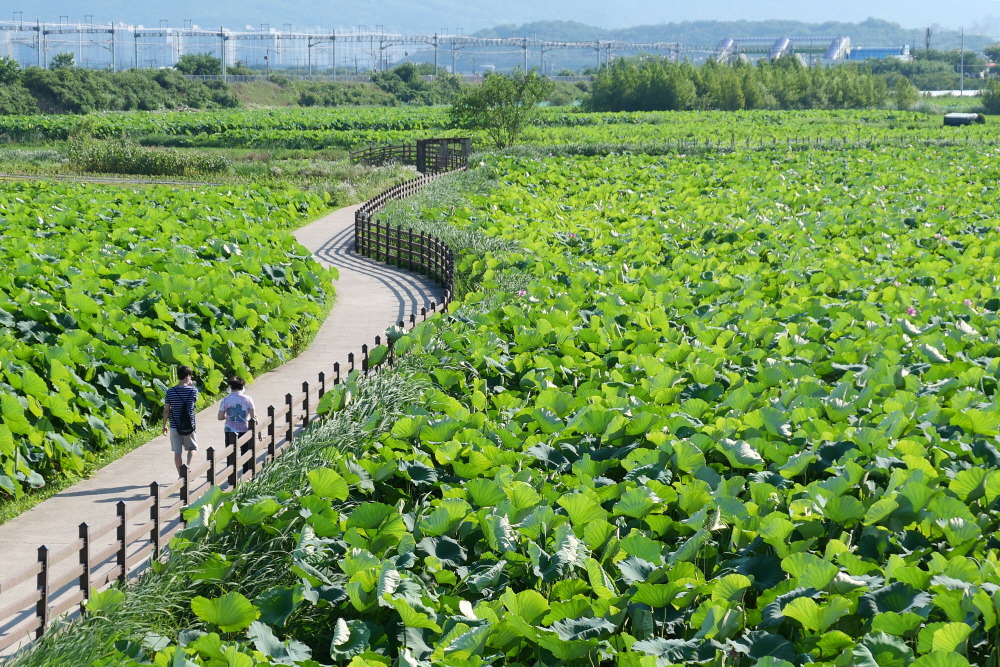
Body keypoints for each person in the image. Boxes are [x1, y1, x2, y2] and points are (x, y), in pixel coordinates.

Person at [162, 365, 198, 477]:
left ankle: (181, 475)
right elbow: (193, 404)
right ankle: (187, 468)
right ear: (188, 376)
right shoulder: (193, 391)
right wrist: (191, 386)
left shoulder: (170, 392)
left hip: (175, 426)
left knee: (177, 453)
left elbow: (166, 410)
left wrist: (164, 425)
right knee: (192, 448)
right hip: (189, 425)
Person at [218, 376, 257, 472]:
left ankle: (231, 475)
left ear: (230, 387)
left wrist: (229, 416)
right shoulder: (248, 399)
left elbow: (220, 417)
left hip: (230, 430)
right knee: (246, 453)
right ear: (242, 386)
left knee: (230, 454)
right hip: (244, 429)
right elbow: (253, 416)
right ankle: (246, 475)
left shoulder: (226, 399)